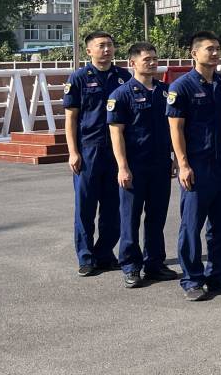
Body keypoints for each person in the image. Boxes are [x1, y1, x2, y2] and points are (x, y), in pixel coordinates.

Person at [167, 30, 221, 301]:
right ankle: (192, 279)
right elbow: (176, 128)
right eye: (210, 48)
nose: (215, 52)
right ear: (194, 53)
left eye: (218, 47)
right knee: (191, 225)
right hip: (197, 164)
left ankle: (217, 275)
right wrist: (183, 164)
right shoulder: (182, 87)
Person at [107, 42, 178, 288]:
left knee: (157, 217)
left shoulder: (166, 92)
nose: (152, 63)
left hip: (160, 164)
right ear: (132, 63)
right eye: (147, 59)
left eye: (155, 58)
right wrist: (122, 166)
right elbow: (116, 133)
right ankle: (130, 266)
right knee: (130, 218)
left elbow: (174, 129)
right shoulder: (121, 94)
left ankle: (155, 264)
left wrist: (175, 158)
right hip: (134, 166)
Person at [64, 30, 132, 277]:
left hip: (116, 152)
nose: (107, 50)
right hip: (88, 150)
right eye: (101, 45)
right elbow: (71, 118)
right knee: (85, 207)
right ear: (89, 51)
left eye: (110, 45)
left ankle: (104, 254)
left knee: (113, 207)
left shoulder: (124, 77)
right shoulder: (79, 78)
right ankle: (86, 257)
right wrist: (73, 152)